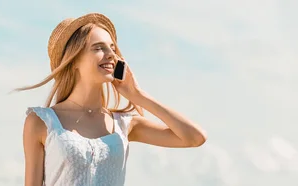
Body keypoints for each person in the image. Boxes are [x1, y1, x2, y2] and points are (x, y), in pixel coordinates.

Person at [15, 13, 207, 186]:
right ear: (73, 61)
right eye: (98, 48)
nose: (111, 55)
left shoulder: (124, 125)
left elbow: (194, 138)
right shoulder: (42, 122)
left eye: (112, 48)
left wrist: (138, 96)